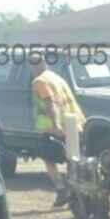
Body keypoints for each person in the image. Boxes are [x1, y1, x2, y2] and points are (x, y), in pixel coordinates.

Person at [29, 54, 84, 208]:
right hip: (74, 122)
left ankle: (62, 189)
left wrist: (56, 125)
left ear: (33, 67)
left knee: (48, 158)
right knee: (72, 159)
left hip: (55, 128)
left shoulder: (40, 81)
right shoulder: (56, 77)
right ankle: (75, 193)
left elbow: (50, 103)